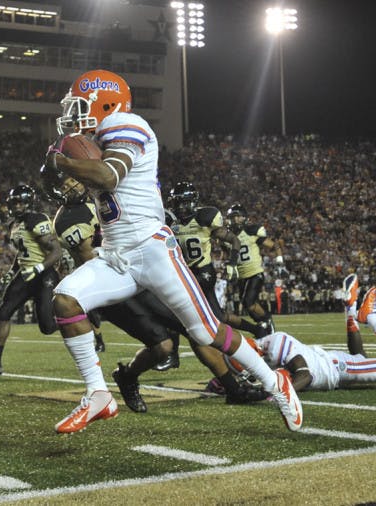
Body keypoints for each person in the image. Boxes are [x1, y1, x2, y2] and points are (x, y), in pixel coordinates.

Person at [42, 69, 302, 433]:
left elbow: (108, 177)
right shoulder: (100, 137)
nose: (73, 114)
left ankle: (276, 383)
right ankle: (98, 394)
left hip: (152, 250)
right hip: (116, 256)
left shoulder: (126, 123)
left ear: (106, 103)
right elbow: (76, 184)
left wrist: (63, 162)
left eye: (81, 105)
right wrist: (58, 170)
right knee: (65, 300)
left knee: (207, 332)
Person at [48, 175, 267, 411]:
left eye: (74, 181)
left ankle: (234, 389)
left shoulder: (103, 198)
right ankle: (127, 376)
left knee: (197, 329)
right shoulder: (68, 219)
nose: (72, 187)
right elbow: (88, 256)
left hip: (142, 271)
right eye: (65, 185)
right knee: (162, 347)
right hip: (115, 282)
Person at [161, 183, 268, 371]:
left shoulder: (205, 218)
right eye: (178, 204)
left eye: (184, 204)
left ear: (193, 203)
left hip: (203, 272)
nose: (181, 208)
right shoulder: (171, 221)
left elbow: (233, 240)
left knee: (176, 310)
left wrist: (233, 263)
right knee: (216, 316)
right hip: (184, 272)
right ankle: (256, 329)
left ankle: (173, 355)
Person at [254, 274, 376, 392]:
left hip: (337, 368)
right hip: (331, 363)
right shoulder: (263, 352)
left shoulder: (275, 345)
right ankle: (351, 309)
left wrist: (278, 394)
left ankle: (371, 317)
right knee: (361, 358)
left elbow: (305, 376)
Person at [0, 184, 62, 376]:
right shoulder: (14, 225)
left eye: (20, 203)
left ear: (28, 203)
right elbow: (23, 251)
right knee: (3, 312)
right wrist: (12, 270)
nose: (16, 207)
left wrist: (38, 268)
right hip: (25, 274)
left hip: (43, 274)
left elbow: (56, 252)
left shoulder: (37, 219)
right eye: (13, 203)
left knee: (47, 327)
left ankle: (78, 319)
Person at [225, 203, 278, 333]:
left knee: (249, 302)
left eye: (238, 217)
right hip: (242, 275)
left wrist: (279, 260)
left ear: (244, 218)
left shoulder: (251, 231)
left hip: (255, 272)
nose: (235, 220)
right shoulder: (226, 237)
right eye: (233, 217)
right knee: (247, 305)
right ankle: (262, 324)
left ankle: (266, 319)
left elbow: (273, 245)